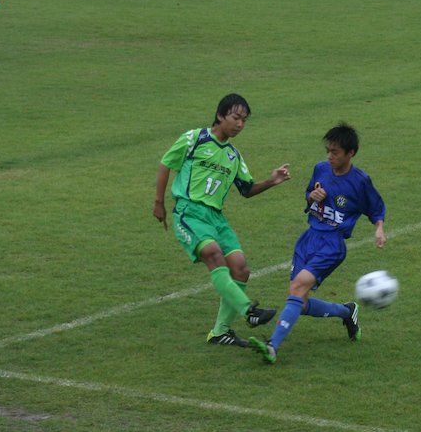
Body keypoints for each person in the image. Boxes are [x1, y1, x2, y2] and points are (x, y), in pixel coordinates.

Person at [153, 94, 290, 347]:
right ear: (220, 115)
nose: (240, 124)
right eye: (236, 117)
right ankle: (248, 310)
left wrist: (271, 182)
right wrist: (159, 202)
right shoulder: (194, 139)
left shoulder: (234, 156)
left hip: (216, 218)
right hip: (189, 212)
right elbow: (166, 164)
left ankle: (220, 332)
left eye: (244, 120)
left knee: (240, 268)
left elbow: (246, 190)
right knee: (213, 254)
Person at [249, 123, 386, 365]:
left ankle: (272, 346)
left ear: (350, 153)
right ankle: (347, 312)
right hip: (309, 238)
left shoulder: (360, 181)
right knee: (299, 302)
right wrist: (311, 196)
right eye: (328, 151)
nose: (330, 156)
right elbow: (308, 194)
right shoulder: (321, 169)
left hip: (332, 244)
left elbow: (376, 208)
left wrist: (379, 229)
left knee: (298, 287)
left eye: (335, 152)